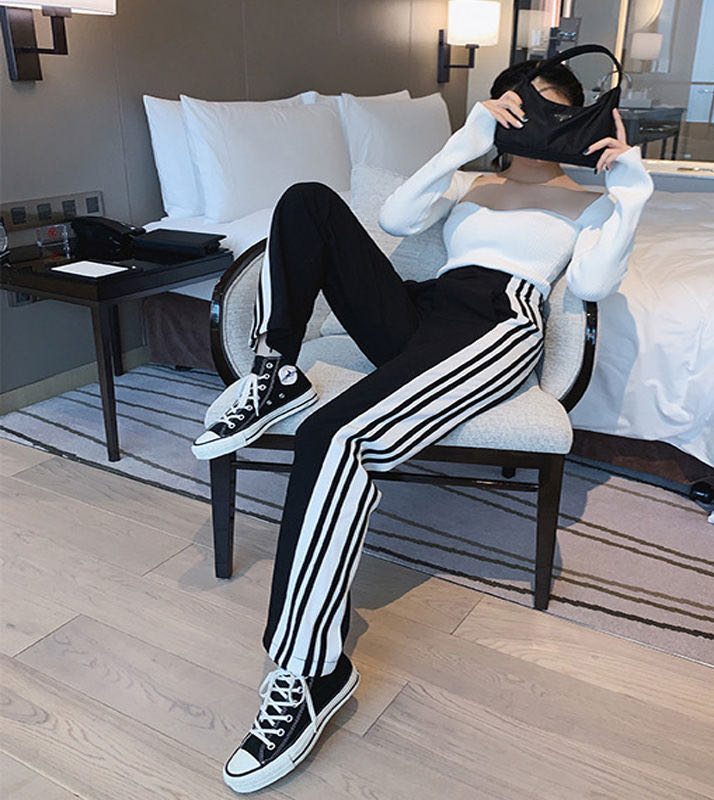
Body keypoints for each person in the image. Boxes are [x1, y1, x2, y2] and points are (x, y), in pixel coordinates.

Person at [192, 58, 654, 793]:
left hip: (499, 324)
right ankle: (275, 370)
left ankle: (311, 672)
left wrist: (630, 190)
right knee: (308, 199)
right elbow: (397, 220)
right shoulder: (471, 182)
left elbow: (594, 282)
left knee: (334, 437)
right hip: (426, 308)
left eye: (554, 111)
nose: (535, 122)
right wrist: (463, 141)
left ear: (578, 121)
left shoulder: (586, 202)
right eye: (520, 107)